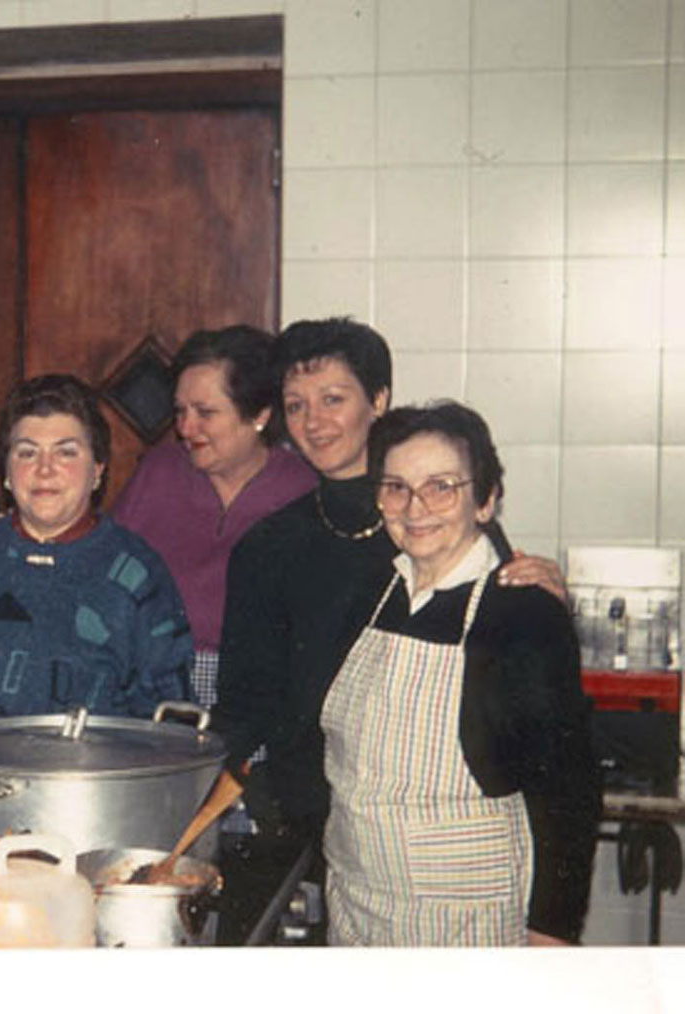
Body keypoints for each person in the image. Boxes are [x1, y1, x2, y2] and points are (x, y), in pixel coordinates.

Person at [213, 317, 567, 946]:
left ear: (378, 400)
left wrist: (552, 923)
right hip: (325, 838)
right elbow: (246, 704)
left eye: (333, 399)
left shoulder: (440, 532)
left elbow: (550, 757)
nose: (314, 421)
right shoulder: (269, 547)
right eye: (296, 405)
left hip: (453, 869)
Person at [321, 401, 599, 945]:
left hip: (468, 921)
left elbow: (567, 787)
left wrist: (552, 931)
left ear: (486, 499)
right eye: (396, 486)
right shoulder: (370, 596)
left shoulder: (523, 612)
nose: (415, 507)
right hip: (357, 907)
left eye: (441, 486)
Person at [0, 374, 192, 722]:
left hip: (91, 772)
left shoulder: (135, 572)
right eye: (27, 453)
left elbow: (169, 716)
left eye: (66, 452)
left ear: (97, 470)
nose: (44, 470)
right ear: (5, 472)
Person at [112, 326, 316, 706]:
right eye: (180, 411)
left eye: (205, 412)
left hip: (262, 693)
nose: (185, 428)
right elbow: (107, 572)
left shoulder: (300, 488)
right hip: (153, 682)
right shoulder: (159, 472)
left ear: (259, 414)